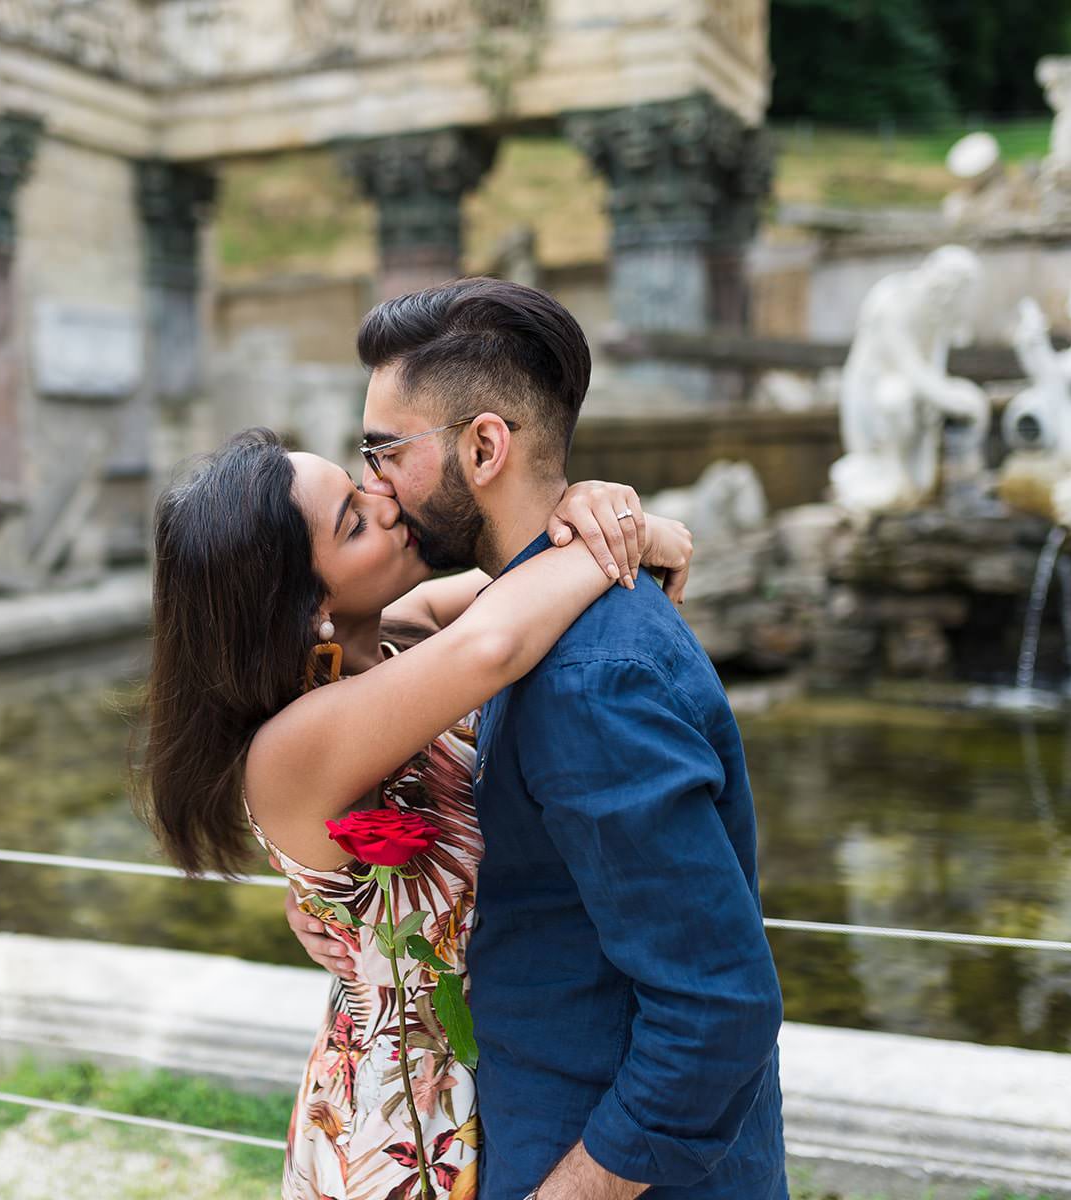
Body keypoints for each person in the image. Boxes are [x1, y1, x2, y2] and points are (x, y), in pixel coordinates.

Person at [289, 277, 787, 1199]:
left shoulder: (584, 677)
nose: (378, 487)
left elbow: (718, 1011)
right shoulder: (504, 639)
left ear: (484, 446)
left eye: (382, 452)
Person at [136, 420, 693, 1200]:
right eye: (354, 521)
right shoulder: (289, 753)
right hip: (403, 1128)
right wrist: (618, 534)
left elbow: (531, 567)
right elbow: (499, 640)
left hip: (512, 1066)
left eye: (360, 484)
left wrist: (601, 507)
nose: (387, 500)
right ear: (303, 609)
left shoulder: (409, 630)